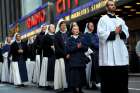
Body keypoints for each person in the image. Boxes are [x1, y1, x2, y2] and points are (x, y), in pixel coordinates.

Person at [97, 0, 129, 93]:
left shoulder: (120, 20)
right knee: (109, 85)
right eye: (110, 5)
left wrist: (121, 32)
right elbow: (101, 34)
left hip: (121, 56)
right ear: (107, 8)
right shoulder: (103, 19)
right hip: (108, 58)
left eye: (114, 5)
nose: (113, 6)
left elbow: (127, 34)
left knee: (122, 84)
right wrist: (114, 32)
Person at [67, 25, 88, 93]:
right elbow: (68, 49)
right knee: (74, 77)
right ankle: (74, 89)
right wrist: (77, 47)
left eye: (77, 29)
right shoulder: (69, 39)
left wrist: (81, 46)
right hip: (73, 61)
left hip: (81, 60)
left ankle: (80, 89)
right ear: (72, 31)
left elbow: (86, 48)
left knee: (81, 76)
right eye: (75, 29)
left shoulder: (82, 38)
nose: (76, 30)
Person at [83, 22, 99, 89]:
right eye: (91, 25)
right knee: (90, 70)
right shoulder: (85, 35)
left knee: (96, 69)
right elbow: (85, 45)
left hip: (96, 54)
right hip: (89, 54)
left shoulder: (95, 35)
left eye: (93, 25)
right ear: (87, 27)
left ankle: (94, 83)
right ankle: (88, 83)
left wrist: (95, 45)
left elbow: (98, 44)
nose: (92, 26)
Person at [39, 24, 56, 88]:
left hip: (55, 55)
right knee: (47, 70)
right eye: (52, 27)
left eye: (54, 27)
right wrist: (50, 47)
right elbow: (42, 46)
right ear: (49, 29)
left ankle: (54, 83)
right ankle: (47, 84)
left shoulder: (55, 35)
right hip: (48, 55)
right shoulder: (46, 36)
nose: (54, 28)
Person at [54, 19, 68, 91]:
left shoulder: (67, 34)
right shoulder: (56, 35)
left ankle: (68, 85)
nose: (64, 27)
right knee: (62, 72)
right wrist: (65, 54)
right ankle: (63, 86)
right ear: (59, 26)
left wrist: (69, 53)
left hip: (68, 56)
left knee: (68, 72)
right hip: (61, 56)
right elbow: (57, 47)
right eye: (62, 25)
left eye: (65, 25)